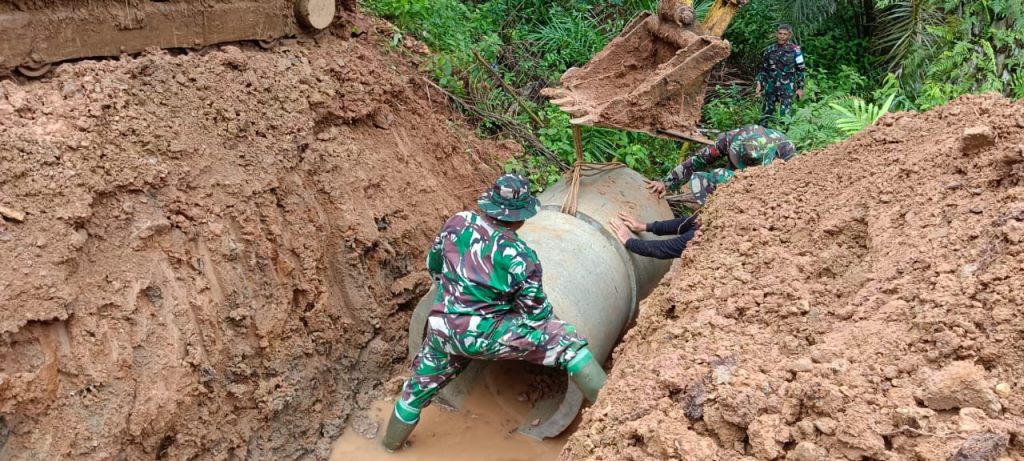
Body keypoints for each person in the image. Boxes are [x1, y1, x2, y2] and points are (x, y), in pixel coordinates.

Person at [382, 174, 607, 452]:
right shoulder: (521, 257)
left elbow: (434, 264)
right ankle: (612, 412)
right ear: (521, 218)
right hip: (484, 336)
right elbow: (537, 317)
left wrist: (456, 294)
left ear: (488, 205)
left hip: (442, 329)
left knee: (416, 391)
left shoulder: (458, 222)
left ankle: (389, 447)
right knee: (566, 340)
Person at [645, 124, 797, 207]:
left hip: (769, 182)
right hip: (735, 172)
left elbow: (793, 183)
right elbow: (698, 160)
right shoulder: (730, 139)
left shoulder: (785, 149)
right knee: (719, 181)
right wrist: (666, 183)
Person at [755, 24, 806, 125]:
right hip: (771, 87)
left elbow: (801, 69)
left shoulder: (795, 50)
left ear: (789, 36)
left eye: (785, 34)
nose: (782, 36)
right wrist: (759, 83)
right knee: (765, 115)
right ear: (776, 34)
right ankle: (762, 133)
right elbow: (763, 69)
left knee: (785, 117)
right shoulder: (769, 50)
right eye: (780, 33)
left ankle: (784, 133)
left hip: (787, 88)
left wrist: (800, 88)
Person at [609, 212, 698, 259]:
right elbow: (688, 222)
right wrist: (645, 226)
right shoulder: (706, 214)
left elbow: (664, 248)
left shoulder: (701, 236)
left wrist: (629, 241)